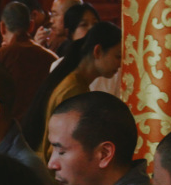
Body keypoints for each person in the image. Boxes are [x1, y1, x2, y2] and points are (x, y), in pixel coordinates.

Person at [23, 22, 122, 164]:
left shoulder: (76, 83)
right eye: (118, 56)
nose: (120, 63)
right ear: (98, 51)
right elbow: (62, 148)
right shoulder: (73, 89)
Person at [0, 1, 58, 119]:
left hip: (7, 127)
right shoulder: (52, 59)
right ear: (31, 26)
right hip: (43, 126)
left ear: (2, 27)